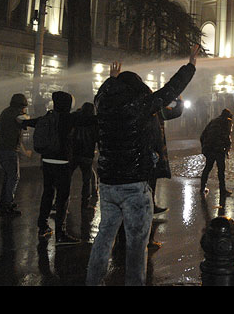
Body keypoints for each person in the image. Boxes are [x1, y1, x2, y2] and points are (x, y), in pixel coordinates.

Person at [86, 44, 199, 286]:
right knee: (137, 246)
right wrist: (190, 64)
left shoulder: (103, 105)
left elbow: (101, 94)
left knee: (104, 238)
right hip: (134, 184)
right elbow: (171, 89)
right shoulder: (139, 106)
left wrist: (111, 80)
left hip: (107, 184)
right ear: (138, 87)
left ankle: (92, 282)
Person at [25, 91, 96, 245]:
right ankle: (60, 233)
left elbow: (29, 122)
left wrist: (20, 121)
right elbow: (92, 120)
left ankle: (42, 227)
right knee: (63, 198)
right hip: (63, 162)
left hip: (47, 161)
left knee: (47, 194)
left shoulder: (47, 117)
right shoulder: (69, 118)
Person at [0, 93, 32, 217]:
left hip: (2, 149)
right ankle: (7, 205)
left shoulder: (6, 112)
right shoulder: (16, 114)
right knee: (14, 177)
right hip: (8, 150)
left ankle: (4, 202)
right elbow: (26, 120)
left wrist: (24, 151)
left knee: (8, 176)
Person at [150, 97, 185, 214]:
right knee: (150, 178)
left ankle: (147, 205)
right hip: (151, 150)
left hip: (137, 150)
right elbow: (176, 112)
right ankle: (149, 206)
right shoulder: (155, 109)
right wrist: (179, 101)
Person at [69, 102, 99, 211]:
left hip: (74, 153)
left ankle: (62, 202)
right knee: (86, 180)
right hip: (87, 154)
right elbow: (97, 137)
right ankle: (85, 203)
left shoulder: (75, 119)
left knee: (67, 178)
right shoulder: (94, 122)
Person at [199, 108, 234, 197]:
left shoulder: (213, 121)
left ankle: (202, 188)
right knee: (221, 170)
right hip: (218, 149)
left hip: (210, 148)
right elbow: (227, 136)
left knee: (207, 168)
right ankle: (223, 190)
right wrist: (227, 148)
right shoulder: (227, 122)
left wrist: (204, 147)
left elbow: (203, 135)